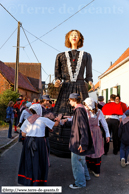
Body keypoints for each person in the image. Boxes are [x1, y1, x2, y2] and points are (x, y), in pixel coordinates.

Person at [50, 29, 94, 157]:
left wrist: (90, 82)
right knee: (63, 112)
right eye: (72, 35)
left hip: (81, 87)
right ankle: (61, 145)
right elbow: (57, 75)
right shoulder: (60, 56)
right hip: (66, 87)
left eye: (76, 35)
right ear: (68, 38)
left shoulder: (87, 55)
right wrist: (57, 81)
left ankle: (84, 143)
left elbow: (89, 74)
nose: (74, 37)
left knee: (84, 114)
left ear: (80, 38)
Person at [18, 104, 60, 186]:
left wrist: (31, 134)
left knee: (29, 161)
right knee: (39, 161)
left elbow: (23, 134)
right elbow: (55, 124)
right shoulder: (43, 119)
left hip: (28, 142)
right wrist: (58, 119)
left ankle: (28, 180)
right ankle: (37, 181)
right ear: (39, 111)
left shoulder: (27, 120)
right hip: (39, 142)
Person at [61, 93, 94, 189]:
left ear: (74, 100)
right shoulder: (81, 109)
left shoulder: (79, 110)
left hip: (78, 141)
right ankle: (86, 177)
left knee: (77, 163)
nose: (69, 102)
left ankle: (80, 182)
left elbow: (82, 127)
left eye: (70, 100)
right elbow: (78, 124)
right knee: (82, 161)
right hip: (79, 140)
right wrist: (67, 122)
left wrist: (83, 144)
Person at [83, 97, 110, 177]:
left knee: (96, 151)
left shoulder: (98, 112)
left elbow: (104, 124)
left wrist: (107, 134)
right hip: (91, 132)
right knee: (90, 150)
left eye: (86, 104)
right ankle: (91, 168)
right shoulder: (86, 111)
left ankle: (96, 170)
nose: (85, 106)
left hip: (94, 133)